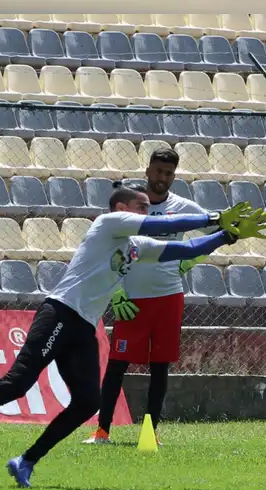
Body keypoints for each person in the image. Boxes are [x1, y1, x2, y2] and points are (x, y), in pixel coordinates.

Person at [0, 186, 266, 488]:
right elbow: (164, 226)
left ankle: (26, 461)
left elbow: (183, 249)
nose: (146, 214)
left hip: (84, 327)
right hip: (60, 314)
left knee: (87, 402)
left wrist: (229, 234)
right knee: (18, 384)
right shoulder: (107, 226)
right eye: (140, 207)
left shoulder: (134, 245)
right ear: (120, 207)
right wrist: (213, 216)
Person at [84, 148, 211, 446]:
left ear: (174, 176)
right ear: (148, 170)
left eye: (168, 173)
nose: (162, 178)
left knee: (160, 366)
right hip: (131, 300)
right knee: (117, 364)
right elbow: (109, 248)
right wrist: (117, 292)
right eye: (158, 172)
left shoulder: (184, 206)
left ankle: (149, 434)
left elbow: (217, 231)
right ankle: (102, 431)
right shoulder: (131, 205)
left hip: (169, 297)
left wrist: (190, 260)